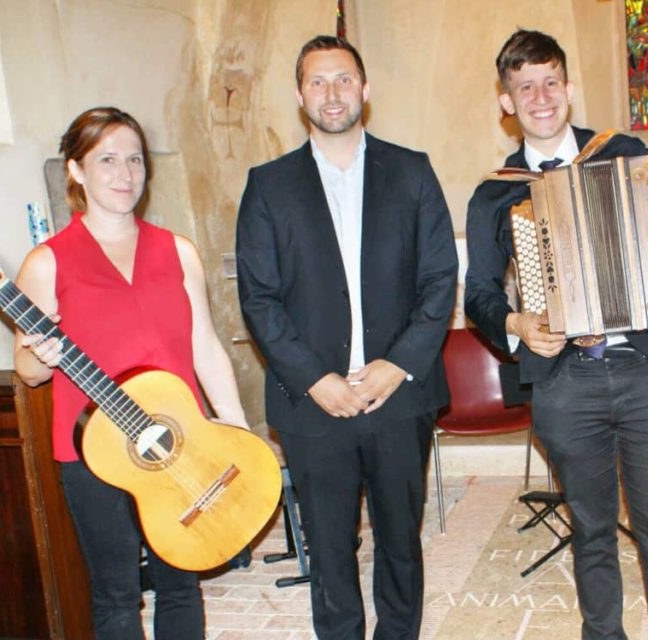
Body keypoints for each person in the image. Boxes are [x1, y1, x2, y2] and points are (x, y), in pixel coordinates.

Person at [464, 29, 648, 640]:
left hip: (647, 367)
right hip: (566, 381)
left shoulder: (625, 153)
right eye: (524, 87)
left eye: (549, 82)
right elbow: (480, 296)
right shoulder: (495, 192)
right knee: (591, 529)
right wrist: (516, 324)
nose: (540, 96)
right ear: (507, 102)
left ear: (567, 88)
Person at [235, 36, 457, 640]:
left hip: (398, 394)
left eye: (343, 80)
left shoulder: (412, 172)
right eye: (317, 82)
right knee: (329, 548)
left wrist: (398, 364)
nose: (331, 93)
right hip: (314, 401)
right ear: (299, 94)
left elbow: (440, 281)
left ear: (365, 88)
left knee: (399, 542)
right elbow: (258, 297)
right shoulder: (268, 185)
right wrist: (314, 378)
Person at [14, 107, 250, 639]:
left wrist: (233, 424)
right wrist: (40, 356)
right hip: (90, 452)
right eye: (108, 160)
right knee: (117, 595)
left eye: (135, 160)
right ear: (75, 170)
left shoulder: (178, 251)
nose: (125, 175)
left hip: (178, 440)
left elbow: (205, 346)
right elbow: (26, 371)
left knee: (180, 584)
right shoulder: (46, 263)